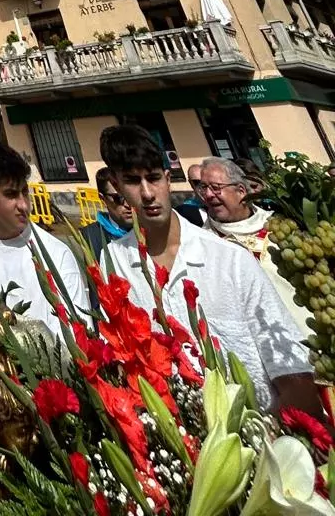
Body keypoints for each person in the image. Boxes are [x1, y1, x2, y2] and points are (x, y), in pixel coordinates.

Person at [99, 125, 319, 414]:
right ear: (116, 185)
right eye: (132, 181)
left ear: (168, 179)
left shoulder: (229, 259)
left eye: (153, 179)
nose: (147, 193)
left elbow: (289, 364)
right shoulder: (114, 262)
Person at [0, 140, 87, 336]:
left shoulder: (56, 253)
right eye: (11, 195)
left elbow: (79, 335)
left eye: (25, 192)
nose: (23, 205)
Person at [196, 157, 309, 336]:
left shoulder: (279, 224)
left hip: (307, 328)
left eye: (216, 187)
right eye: (203, 188)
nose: (208, 195)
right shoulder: (203, 243)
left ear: (241, 190)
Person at [81, 167, 134, 259]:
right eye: (118, 198)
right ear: (103, 199)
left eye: (131, 196)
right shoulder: (91, 236)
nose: (128, 204)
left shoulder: (151, 228)